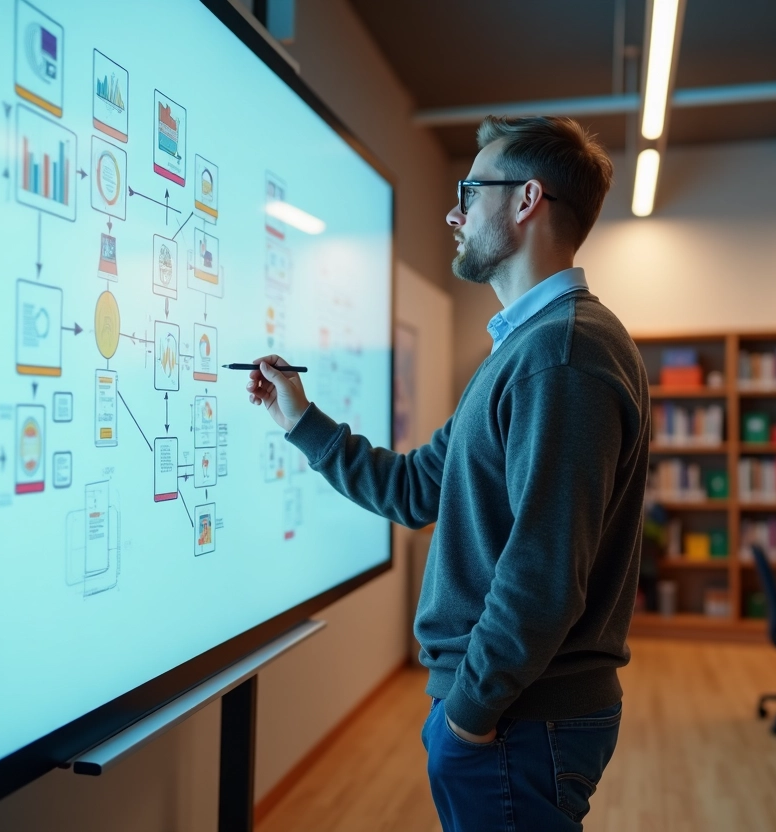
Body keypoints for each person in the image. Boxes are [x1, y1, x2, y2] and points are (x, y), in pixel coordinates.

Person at [246, 116, 649, 831]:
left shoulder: (561, 355)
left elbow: (545, 575)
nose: (452, 211)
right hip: (512, 708)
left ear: (528, 200)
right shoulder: (528, 350)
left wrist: (468, 715)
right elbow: (413, 490)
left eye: (471, 189)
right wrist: (300, 420)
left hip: (518, 715)